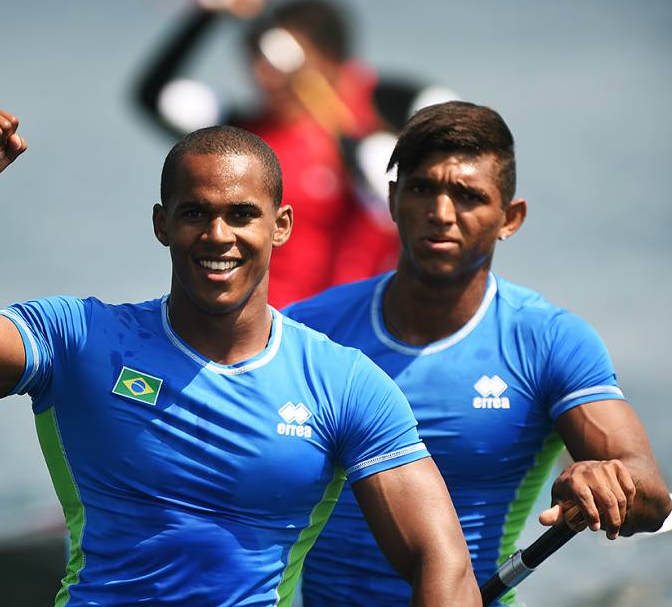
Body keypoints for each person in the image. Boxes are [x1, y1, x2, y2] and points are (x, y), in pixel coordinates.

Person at [0, 104, 481, 606]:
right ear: (162, 224)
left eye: (242, 215)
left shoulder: (344, 385)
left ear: (281, 225)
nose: (218, 236)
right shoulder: (78, 341)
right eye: (195, 214)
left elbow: (441, 562)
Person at [283, 101, 672, 606]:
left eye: (467, 196)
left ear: (510, 218)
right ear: (394, 198)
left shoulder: (547, 341)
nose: (441, 213)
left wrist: (609, 481)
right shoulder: (308, 329)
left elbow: (653, 496)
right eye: (423, 188)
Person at [135, 0, 457, 308]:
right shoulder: (241, 135)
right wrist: (208, 13)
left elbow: (458, 132)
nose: (262, 75)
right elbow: (154, 95)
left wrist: (392, 157)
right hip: (269, 325)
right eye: (256, 60)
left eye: (277, 63)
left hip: (356, 323)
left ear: (331, 62)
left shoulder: (376, 105)